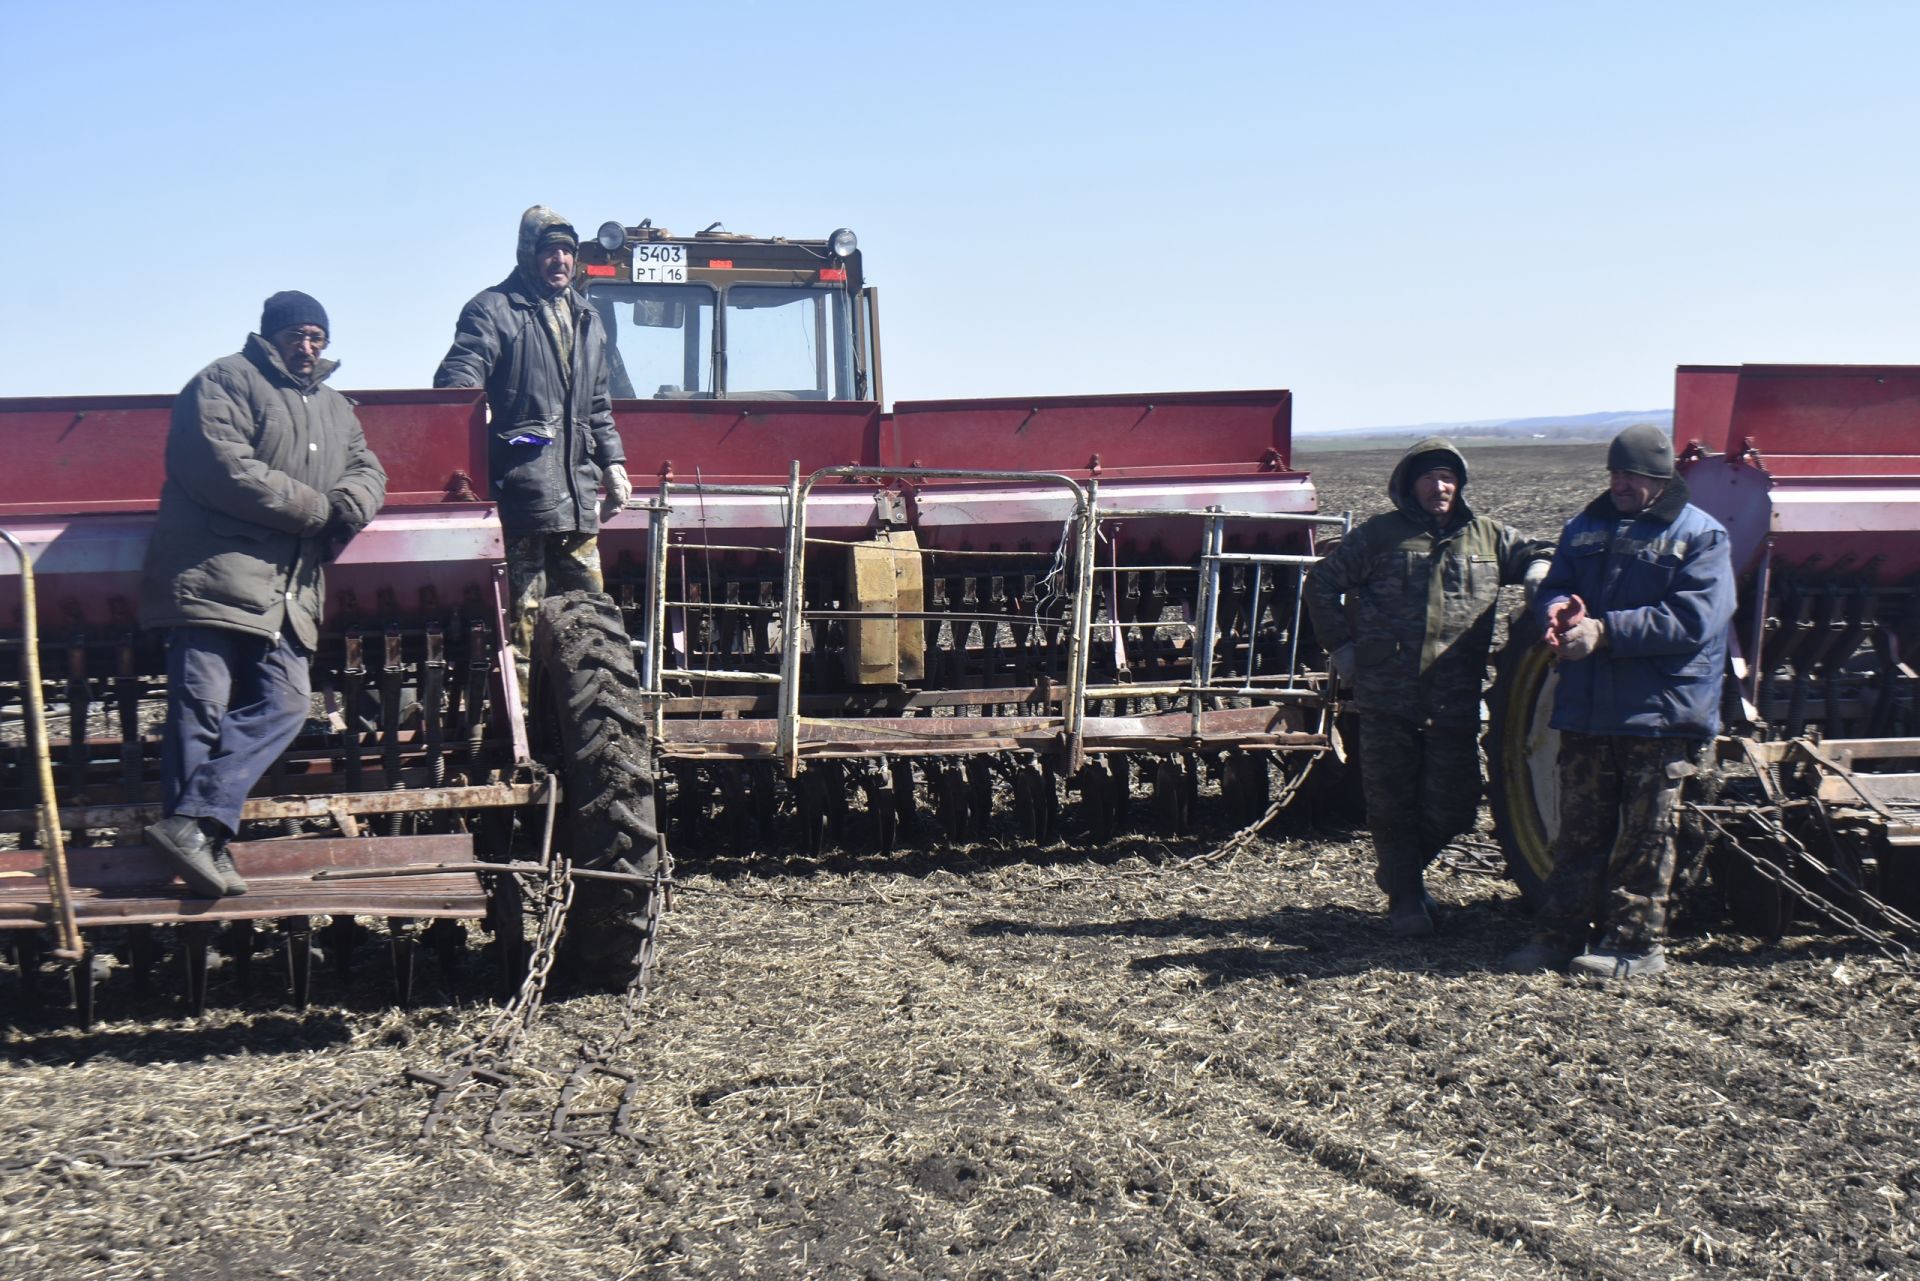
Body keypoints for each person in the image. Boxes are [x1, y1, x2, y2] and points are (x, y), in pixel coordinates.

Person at [141, 292, 387, 897]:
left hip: (288, 595)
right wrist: (317, 511)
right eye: (298, 335)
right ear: (270, 334)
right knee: (198, 713)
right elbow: (223, 468)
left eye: (318, 338)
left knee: (286, 704)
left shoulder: (336, 408)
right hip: (214, 580)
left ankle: (191, 827)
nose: (308, 348)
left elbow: (370, 471)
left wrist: (346, 506)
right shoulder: (223, 381)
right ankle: (206, 849)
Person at [1503, 424, 1735, 979]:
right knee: (1577, 832)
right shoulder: (1585, 528)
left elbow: (1695, 619)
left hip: (1659, 712)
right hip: (1588, 707)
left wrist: (1605, 633)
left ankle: (1634, 946)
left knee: (1644, 837)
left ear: (1659, 479)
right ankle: (1557, 937)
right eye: (1614, 474)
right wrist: (1556, 612)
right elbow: (1557, 584)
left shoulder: (1701, 537)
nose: (1620, 484)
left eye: (1631, 476)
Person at [1305, 438, 1552, 936]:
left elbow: (1539, 552)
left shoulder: (1486, 538)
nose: (1438, 487)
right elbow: (1322, 584)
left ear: (1459, 484)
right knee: (1392, 800)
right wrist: (1343, 651)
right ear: (1409, 485)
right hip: (1387, 694)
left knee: (1456, 806)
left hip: (1454, 695)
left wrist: (1538, 573)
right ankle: (1405, 899)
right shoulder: (1380, 536)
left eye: (1447, 477)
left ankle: (1399, 872)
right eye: (1428, 478)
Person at [432, 205, 632, 693]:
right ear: (528, 254)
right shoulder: (493, 310)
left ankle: (591, 713)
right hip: (522, 494)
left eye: (567, 250)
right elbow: (458, 382)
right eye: (549, 251)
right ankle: (523, 724)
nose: (560, 260)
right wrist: (470, 417)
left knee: (592, 617)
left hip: (579, 494)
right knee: (524, 621)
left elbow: (599, 406)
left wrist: (616, 463)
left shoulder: (589, 319)